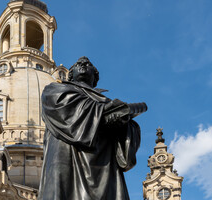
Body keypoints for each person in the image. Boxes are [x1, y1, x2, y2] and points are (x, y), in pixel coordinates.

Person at [38, 56, 141, 200]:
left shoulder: (106, 101)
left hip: (103, 164)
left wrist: (122, 124)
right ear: (71, 74)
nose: (83, 64)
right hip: (68, 157)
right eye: (78, 64)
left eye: (88, 64)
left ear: (95, 76)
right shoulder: (55, 89)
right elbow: (63, 109)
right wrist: (104, 112)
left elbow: (125, 145)